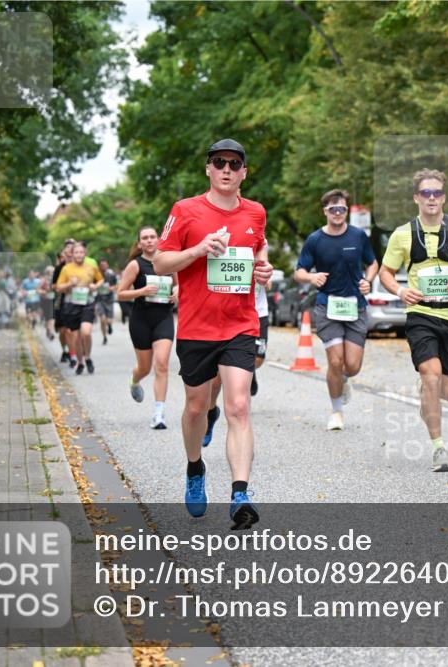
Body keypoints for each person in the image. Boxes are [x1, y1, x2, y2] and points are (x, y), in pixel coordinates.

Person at [153, 138, 272, 528]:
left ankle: (240, 494)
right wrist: (199, 249)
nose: (226, 169)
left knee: (238, 406)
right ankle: (194, 468)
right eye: (219, 162)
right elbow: (160, 263)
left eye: (234, 164)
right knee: (195, 408)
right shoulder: (185, 210)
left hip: (240, 324)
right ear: (208, 169)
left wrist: (264, 268)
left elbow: (259, 250)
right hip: (196, 326)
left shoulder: (256, 212)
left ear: (243, 173)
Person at [378, 169, 448, 472]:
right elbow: (386, 272)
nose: (431, 198)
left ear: (444, 197)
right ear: (416, 197)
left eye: (436, 193)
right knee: (431, 374)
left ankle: (427, 396)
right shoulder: (402, 234)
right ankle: (439, 447)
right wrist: (401, 291)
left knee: (447, 392)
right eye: (425, 193)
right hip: (421, 314)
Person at [293, 189, 378, 431]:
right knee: (335, 360)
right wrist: (312, 277)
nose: (338, 213)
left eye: (341, 208)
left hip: (355, 307)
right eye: (333, 209)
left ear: (346, 210)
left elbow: (373, 263)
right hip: (327, 306)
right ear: (325, 212)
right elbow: (299, 272)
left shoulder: (358, 236)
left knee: (352, 365)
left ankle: (344, 379)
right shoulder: (315, 240)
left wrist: (368, 280)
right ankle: (336, 411)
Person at [201, 239, 271, 448]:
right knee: (215, 380)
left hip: (257, 313)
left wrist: (263, 275)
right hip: (225, 315)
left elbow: (266, 277)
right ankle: (211, 412)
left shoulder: (259, 240)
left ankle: (249, 371)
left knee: (257, 359)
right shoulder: (217, 239)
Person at [117, 226, 177, 429]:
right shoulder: (135, 265)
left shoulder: (169, 261)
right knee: (145, 367)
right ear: (140, 243)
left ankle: (159, 414)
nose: (149, 240)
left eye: (152, 237)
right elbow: (120, 293)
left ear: (158, 240)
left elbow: (180, 284)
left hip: (164, 318)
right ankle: (135, 380)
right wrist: (141, 291)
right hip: (141, 320)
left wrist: (178, 291)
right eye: (145, 238)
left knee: (161, 364)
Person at [55, 241, 104, 375]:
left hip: (87, 303)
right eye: (76, 252)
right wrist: (70, 284)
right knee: (76, 336)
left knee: (86, 332)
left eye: (81, 252)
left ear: (85, 253)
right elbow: (58, 287)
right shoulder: (66, 269)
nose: (79, 255)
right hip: (71, 305)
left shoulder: (91, 267)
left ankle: (87, 357)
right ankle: (80, 362)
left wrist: (95, 286)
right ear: (72, 254)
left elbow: (100, 279)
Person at [52, 240, 76, 364]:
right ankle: (65, 350)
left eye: (72, 250)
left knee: (71, 330)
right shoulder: (59, 268)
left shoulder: (80, 266)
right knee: (62, 330)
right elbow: (53, 285)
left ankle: (73, 354)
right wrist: (64, 287)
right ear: (64, 253)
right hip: (61, 301)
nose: (70, 253)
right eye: (67, 251)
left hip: (77, 301)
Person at [95, 259, 118, 345]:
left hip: (109, 299)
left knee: (109, 320)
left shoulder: (111, 274)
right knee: (102, 319)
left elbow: (117, 285)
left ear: (107, 265)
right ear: (99, 266)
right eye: (102, 265)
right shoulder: (97, 274)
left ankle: (109, 325)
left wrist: (112, 288)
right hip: (100, 299)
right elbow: (93, 284)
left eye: (104, 265)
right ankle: (104, 336)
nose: (103, 267)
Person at [40, 266, 56, 340]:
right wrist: (44, 292)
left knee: (52, 317)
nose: (52, 273)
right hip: (46, 300)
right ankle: (49, 330)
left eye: (53, 271)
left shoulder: (56, 279)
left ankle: (51, 331)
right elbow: (38, 289)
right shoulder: (43, 280)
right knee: (48, 317)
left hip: (54, 300)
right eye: (50, 272)